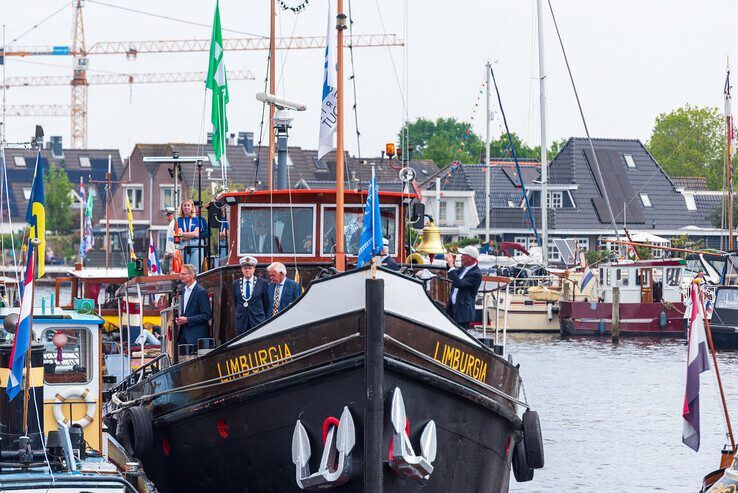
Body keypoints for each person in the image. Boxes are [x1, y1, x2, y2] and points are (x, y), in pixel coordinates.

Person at [445, 245, 482, 329]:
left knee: (458, 336)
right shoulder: (464, 268)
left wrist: (451, 266)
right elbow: (453, 277)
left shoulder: (476, 274)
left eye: (463, 255)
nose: (461, 257)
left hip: (462, 313)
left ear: (469, 258)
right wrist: (451, 263)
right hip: (453, 308)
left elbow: (459, 284)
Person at [231, 256, 269, 335]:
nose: (247, 270)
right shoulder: (235, 284)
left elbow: (266, 302)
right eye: (245, 268)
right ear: (241, 269)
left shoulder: (262, 283)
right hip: (242, 322)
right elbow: (236, 302)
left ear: (254, 269)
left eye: (250, 268)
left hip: (257, 321)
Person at [175, 264, 212, 345]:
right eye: (180, 274)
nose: (181, 276)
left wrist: (187, 320)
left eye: (184, 274)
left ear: (192, 275)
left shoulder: (200, 292)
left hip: (196, 337)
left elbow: (207, 315)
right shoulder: (183, 291)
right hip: (183, 335)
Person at [177, 199, 209, 273]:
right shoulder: (179, 219)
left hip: (196, 247)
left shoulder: (197, 219)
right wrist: (191, 235)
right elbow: (179, 236)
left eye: (188, 205)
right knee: (185, 270)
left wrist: (183, 234)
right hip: (184, 247)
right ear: (182, 207)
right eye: (184, 205)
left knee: (194, 270)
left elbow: (196, 234)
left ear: (192, 207)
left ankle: (194, 284)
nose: (186, 207)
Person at [162, 207, 176, 273]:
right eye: (166, 215)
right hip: (170, 253)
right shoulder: (171, 224)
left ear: (173, 214)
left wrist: (172, 252)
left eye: (169, 215)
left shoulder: (174, 224)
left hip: (173, 253)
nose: (167, 217)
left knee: (173, 273)